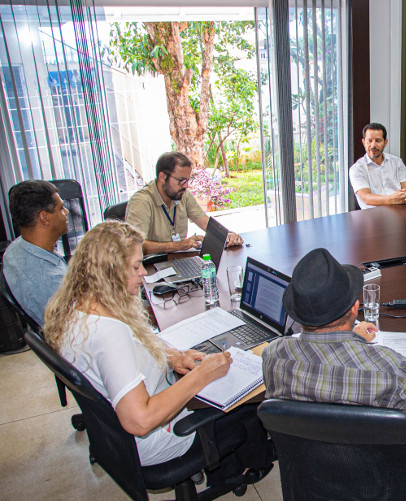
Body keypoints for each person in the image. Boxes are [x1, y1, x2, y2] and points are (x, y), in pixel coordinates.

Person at [43, 221, 271, 480]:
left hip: (120, 433)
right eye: (134, 266)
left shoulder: (80, 305)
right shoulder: (108, 334)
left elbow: (137, 341)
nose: (142, 273)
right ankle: (245, 468)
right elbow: (140, 420)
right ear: (109, 272)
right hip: (157, 437)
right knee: (247, 401)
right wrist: (201, 376)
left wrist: (172, 356)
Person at [262, 248, 406, 466]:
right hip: (382, 487)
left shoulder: (273, 355)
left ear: (297, 314)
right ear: (354, 308)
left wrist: (350, 339)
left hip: (312, 479)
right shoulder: (394, 369)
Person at [125, 152, 243, 254]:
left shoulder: (182, 194)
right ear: (162, 177)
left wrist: (228, 235)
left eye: (188, 180)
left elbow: (205, 223)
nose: (186, 186)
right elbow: (134, 245)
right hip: (150, 266)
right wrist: (179, 245)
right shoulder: (141, 201)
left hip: (178, 259)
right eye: (181, 180)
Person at [3, 181, 69, 326]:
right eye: (61, 208)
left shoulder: (14, 249)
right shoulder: (51, 282)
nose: (66, 213)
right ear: (45, 218)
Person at [349, 123, 406, 209]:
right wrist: (392, 199)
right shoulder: (357, 169)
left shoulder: (396, 162)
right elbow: (366, 198)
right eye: (369, 141)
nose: (373, 145)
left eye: (378, 140)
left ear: (385, 142)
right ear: (363, 142)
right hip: (371, 217)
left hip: (400, 212)